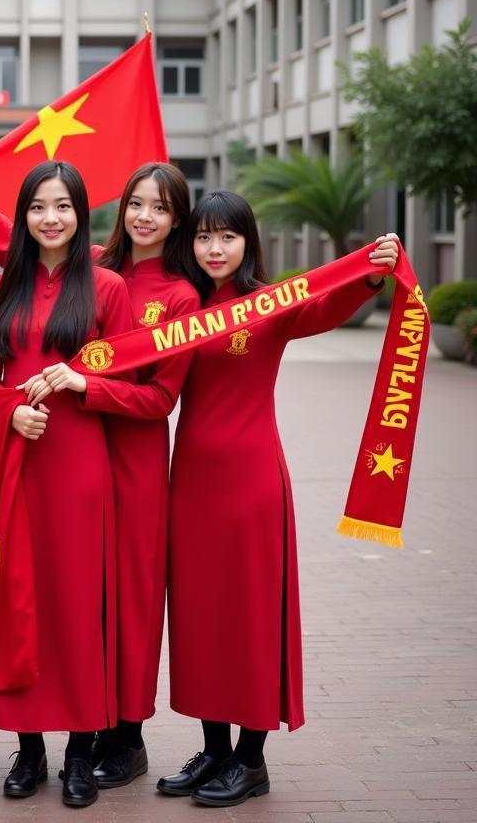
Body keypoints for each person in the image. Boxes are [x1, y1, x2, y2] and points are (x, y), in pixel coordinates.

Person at [157, 190, 399, 808]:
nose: (214, 249)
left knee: (252, 616)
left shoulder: (268, 306)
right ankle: (214, 750)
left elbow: (327, 302)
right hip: (189, 484)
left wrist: (370, 273)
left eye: (227, 237)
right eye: (204, 237)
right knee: (200, 617)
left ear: (248, 243)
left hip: (251, 483)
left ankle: (251, 757)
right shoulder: (179, 305)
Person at [0, 160, 136, 809]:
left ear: (81, 211)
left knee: (76, 609)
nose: (51, 218)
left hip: (80, 467)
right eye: (38, 207)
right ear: (23, 217)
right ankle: (29, 749)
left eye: (62, 206)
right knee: (20, 607)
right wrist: (7, 406)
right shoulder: (0, 287)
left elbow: (139, 388)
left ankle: (81, 754)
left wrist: (80, 382)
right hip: (16, 463)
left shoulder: (109, 289)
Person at [83, 163, 201, 787]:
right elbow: (16, 241)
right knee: (87, 595)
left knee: (130, 597)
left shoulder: (183, 296)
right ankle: (90, 720)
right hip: (77, 456)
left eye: (159, 207)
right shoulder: (96, 270)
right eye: (136, 203)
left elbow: (159, 400)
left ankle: (127, 735)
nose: (145, 216)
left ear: (177, 218)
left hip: (136, 462)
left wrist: (90, 388)